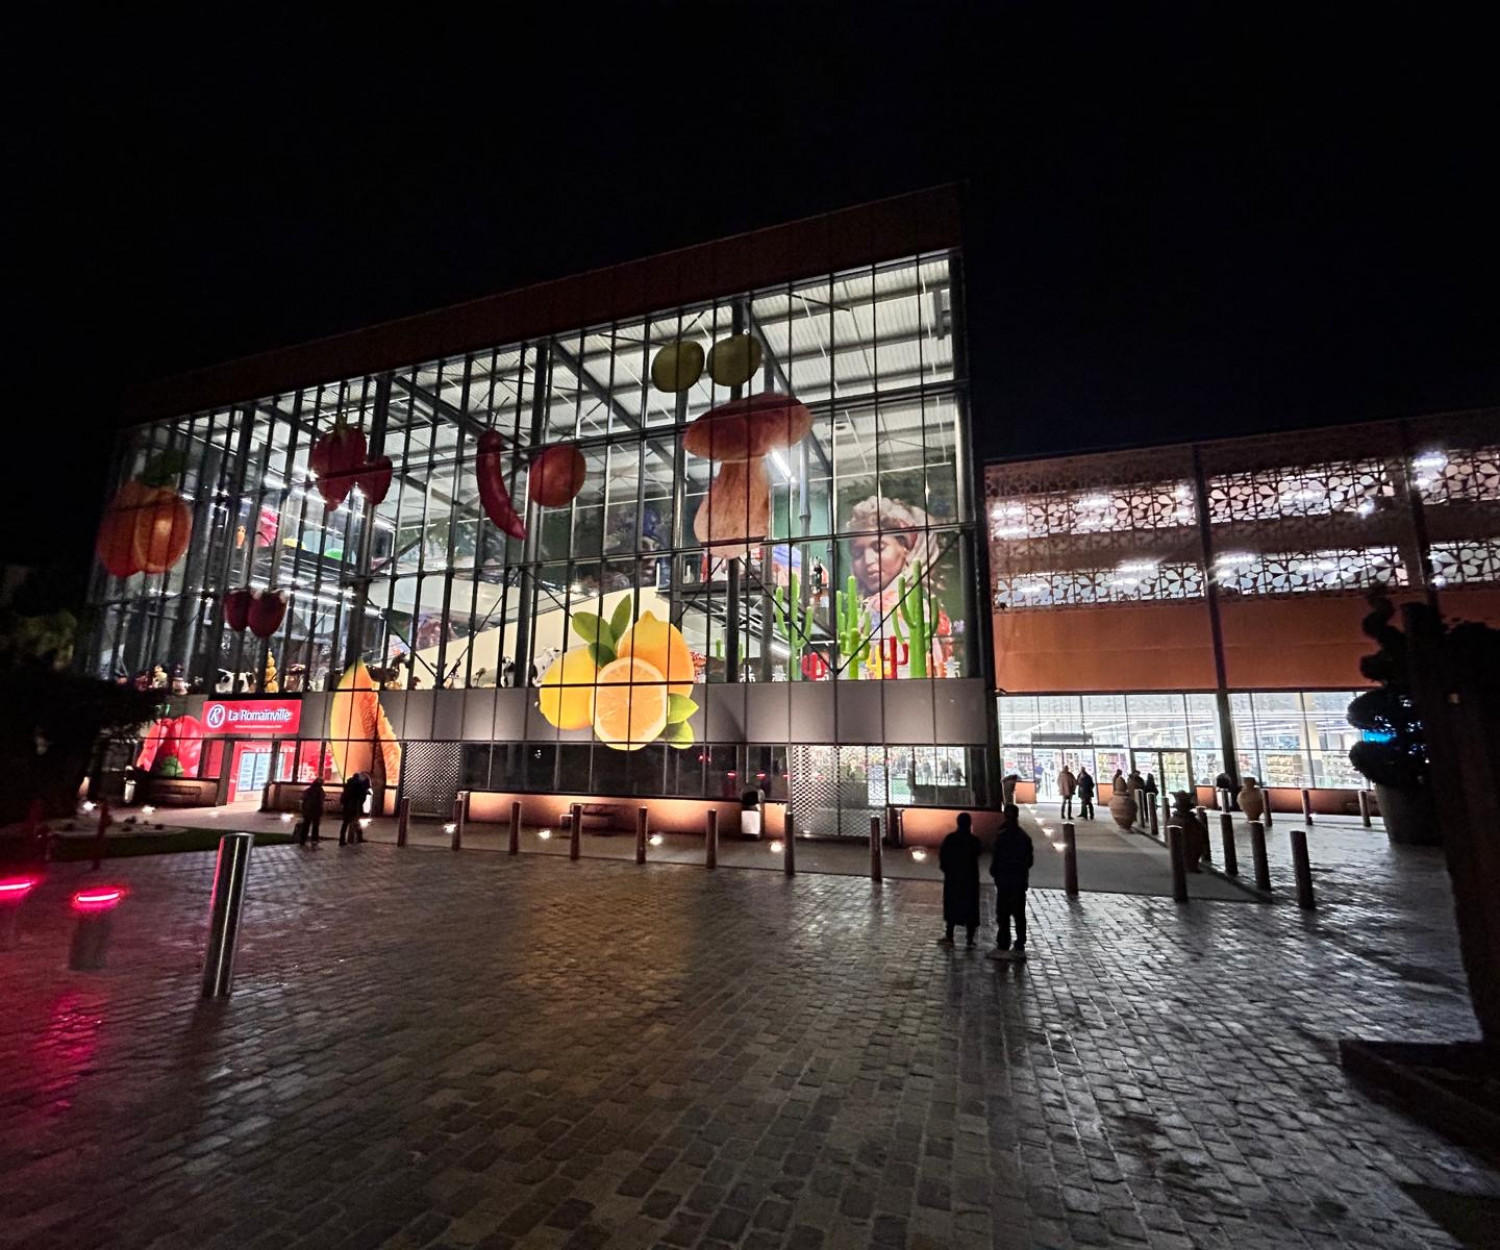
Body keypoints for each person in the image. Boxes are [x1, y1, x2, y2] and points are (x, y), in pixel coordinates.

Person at [988, 804, 1034, 960]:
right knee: (1018, 912)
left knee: (1003, 912)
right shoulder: (1024, 837)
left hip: (1005, 879)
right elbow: (1029, 861)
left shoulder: (1003, 836)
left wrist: (995, 871)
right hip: (1019, 879)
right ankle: (1020, 943)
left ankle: (1003, 943)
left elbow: (997, 856)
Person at [937, 813, 982, 948]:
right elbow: (978, 852)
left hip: (954, 878)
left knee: (952, 905)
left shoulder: (950, 839)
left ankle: (949, 935)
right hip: (970, 879)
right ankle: (969, 939)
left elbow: (943, 858)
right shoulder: (974, 841)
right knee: (970, 906)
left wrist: (948, 870)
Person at [339, 772, 371, 846]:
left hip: (347, 807)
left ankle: (342, 839)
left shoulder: (349, 785)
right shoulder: (359, 785)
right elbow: (361, 797)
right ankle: (356, 838)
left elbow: (344, 797)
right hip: (354, 806)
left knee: (346, 823)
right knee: (355, 822)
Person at [299, 777, 326, 845]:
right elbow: (321, 801)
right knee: (315, 825)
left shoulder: (309, 790)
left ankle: (303, 839)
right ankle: (314, 839)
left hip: (308, 810)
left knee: (306, 825)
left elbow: (303, 799)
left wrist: (303, 809)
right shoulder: (320, 791)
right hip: (315, 810)